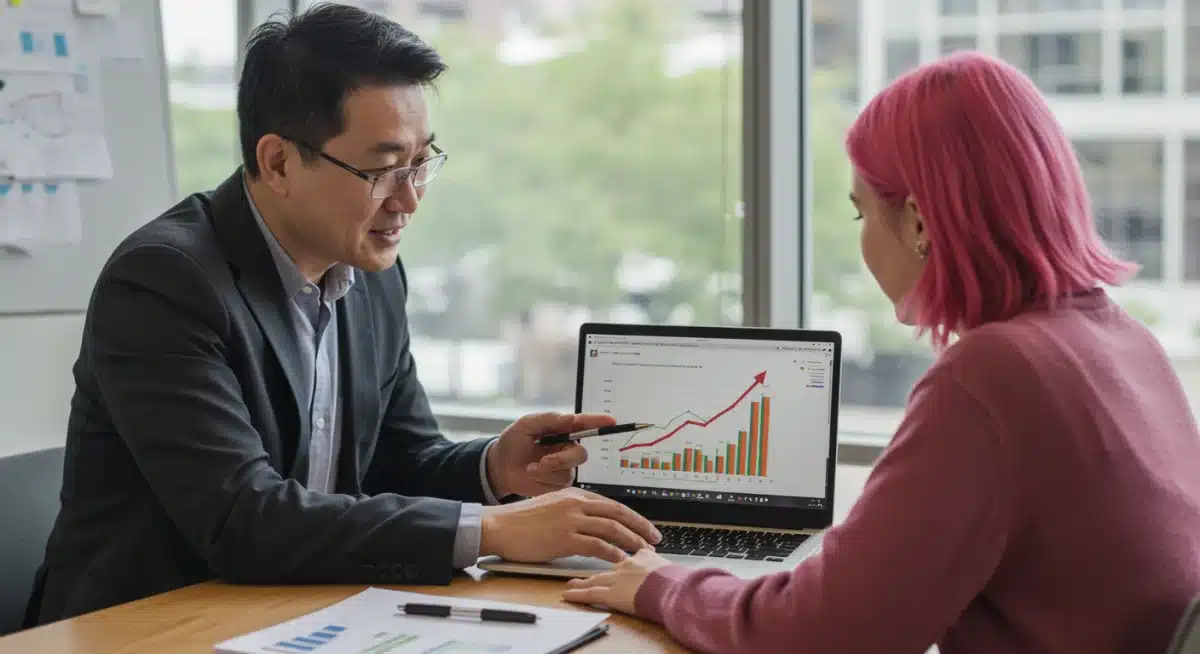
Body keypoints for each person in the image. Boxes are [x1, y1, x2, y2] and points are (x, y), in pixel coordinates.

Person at [25, 3, 660, 625]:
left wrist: (495, 467)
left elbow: (399, 461)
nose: (409, 198)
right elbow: (243, 518)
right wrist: (494, 528)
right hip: (150, 625)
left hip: (294, 612)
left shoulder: (373, 278)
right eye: (383, 169)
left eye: (421, 163)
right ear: (278, 162)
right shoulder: (165, 281)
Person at [562, 51, 1200, 653]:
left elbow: (826, 634)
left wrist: (658, 584)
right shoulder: (1125, 341)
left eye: (860, 214)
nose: (864, 241)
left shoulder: (994, 375)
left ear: (920, 222)